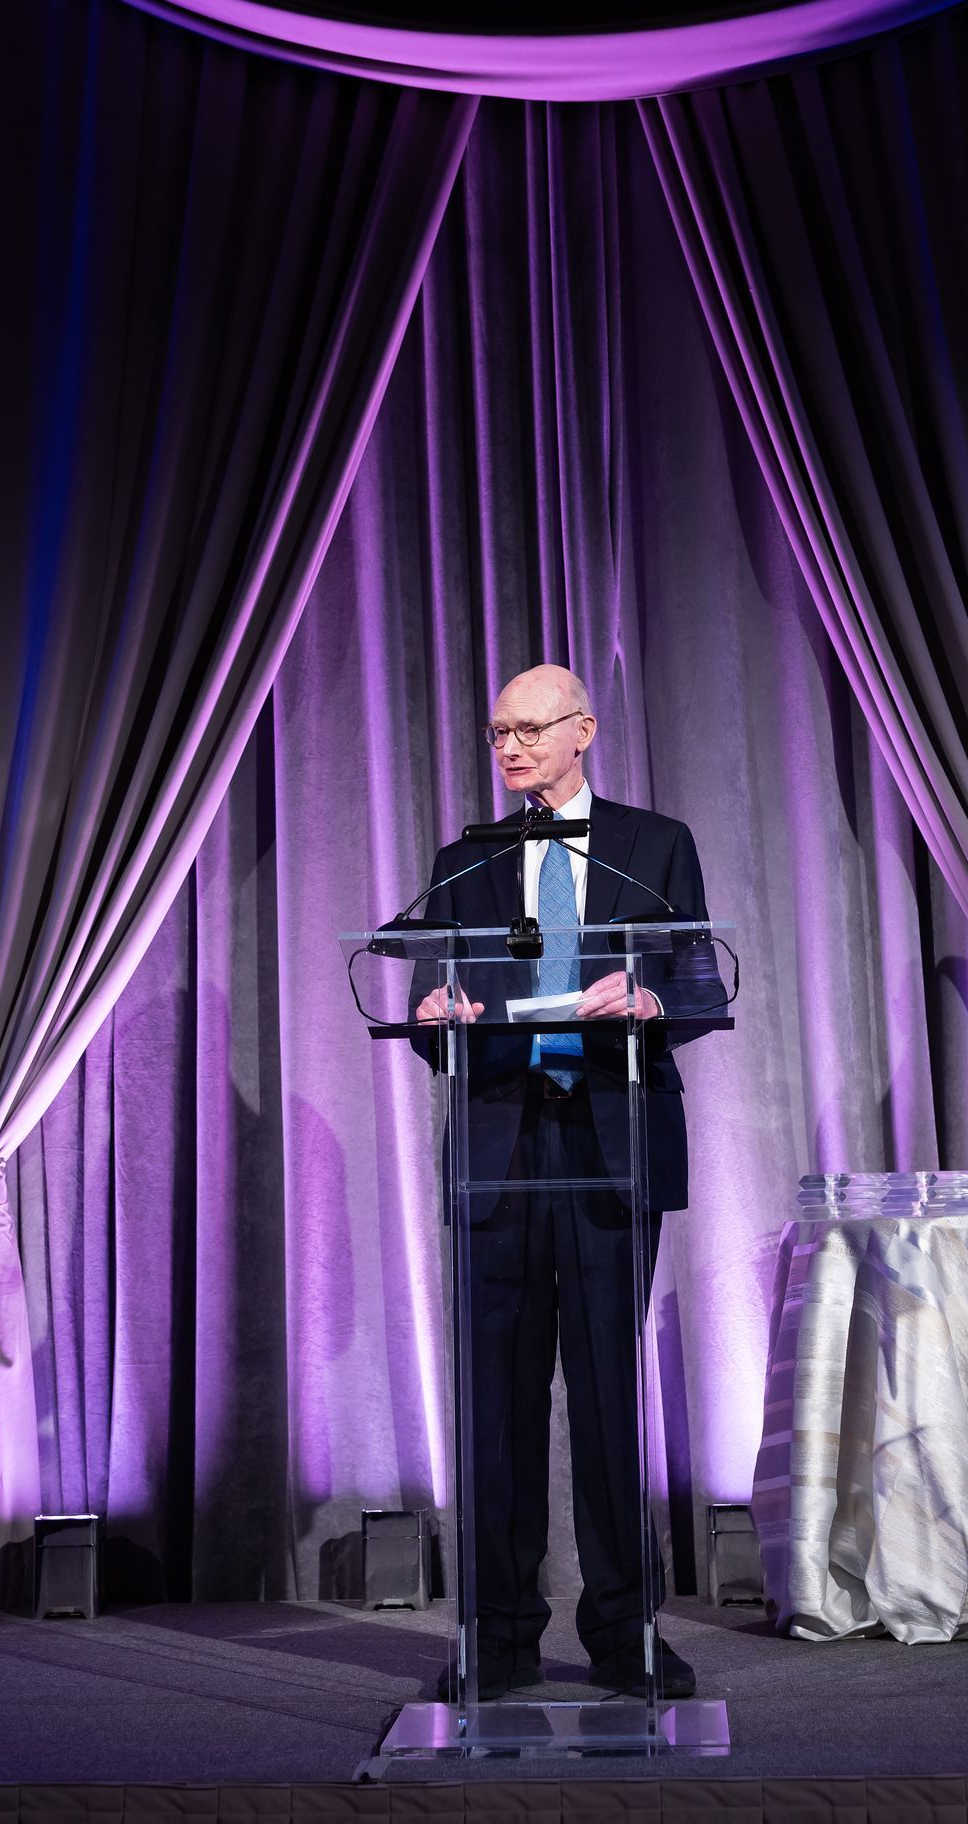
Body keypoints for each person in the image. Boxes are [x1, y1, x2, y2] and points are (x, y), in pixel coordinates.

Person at [411, 663, 718, 1702]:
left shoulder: (655, 844)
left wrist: (650, 996)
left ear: (582, 730)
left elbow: (697, 978)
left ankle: (625, 1633)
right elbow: (431, 996)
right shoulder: (466, 857)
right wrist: (438, 1010)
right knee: (495, 1401)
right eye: (497, 732)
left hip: (608, 1139)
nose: (508, 748)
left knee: (606, 1396)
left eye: (528, 729)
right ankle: (496, 1636)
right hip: (498, 1148)